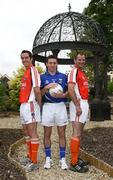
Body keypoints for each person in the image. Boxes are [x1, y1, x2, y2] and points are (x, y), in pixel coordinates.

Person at [41, 55, 68, 170]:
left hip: (61, 106)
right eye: (50, 63)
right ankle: (48, 158)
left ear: (57, 64)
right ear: (46, 64)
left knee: (62, 133)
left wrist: (63, 95)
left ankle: (62, 159)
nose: (52, 65)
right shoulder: (41, 77)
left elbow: (68, 91)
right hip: (47, 107)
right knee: (47, 133)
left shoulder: (63, 76)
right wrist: (46, 87)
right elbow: (39, 94)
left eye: (54, 63)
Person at [19, 50, 41, 172]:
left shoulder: (33, 70)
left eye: (26, 58)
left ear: (31, 58)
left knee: (32, 132)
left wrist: (40, 104)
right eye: (22, 58)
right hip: (23, 105)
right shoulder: (26, 72)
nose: (24, 60)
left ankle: (34, 161)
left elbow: (37, 90)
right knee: (26, 131)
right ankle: (29, 156)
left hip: (31, 104)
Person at [68, 53, 89, 173]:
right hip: (78, 104)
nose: (81, 61)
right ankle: (73, 163)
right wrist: (77, 105)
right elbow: (71, 89)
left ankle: (77, 158)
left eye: (83, 60)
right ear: (75, 60)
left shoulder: (81, 72)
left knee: (79, 133)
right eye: (79, 59)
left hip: (84, 104)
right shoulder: (74, 71)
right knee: (76, 133)